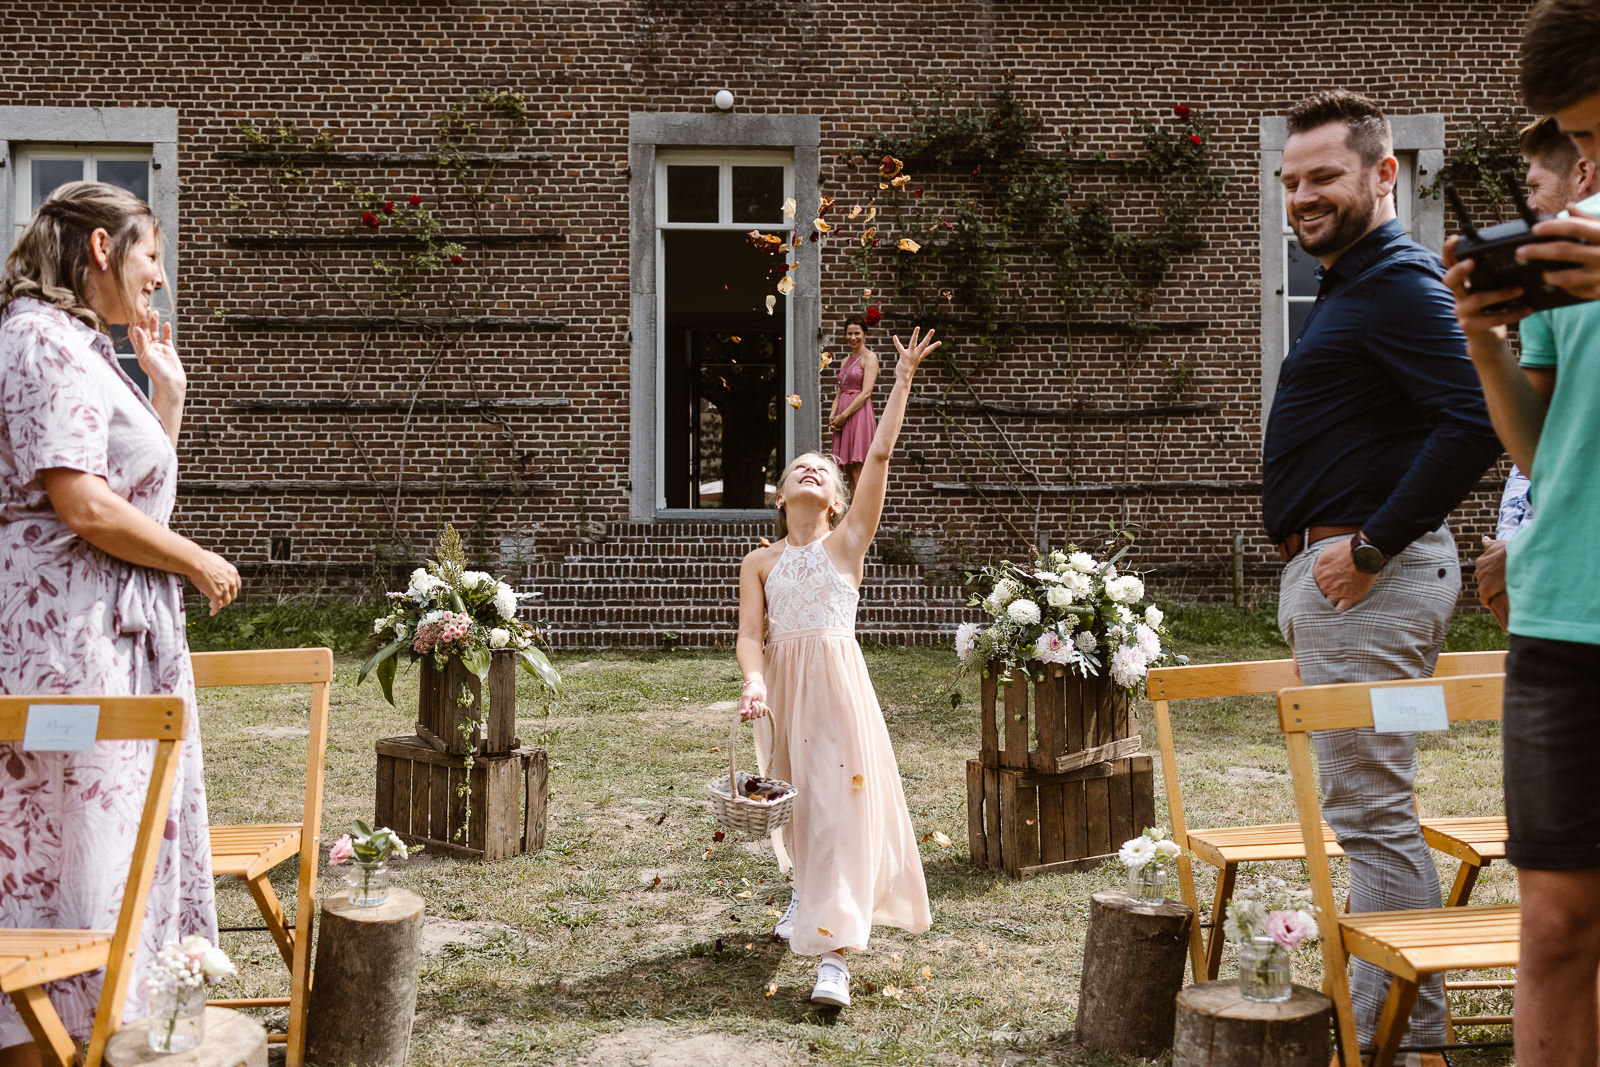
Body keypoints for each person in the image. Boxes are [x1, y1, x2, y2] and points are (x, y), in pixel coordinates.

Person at [1262, 91, 1503, 1060]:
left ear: (1382, 173)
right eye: (1289, 181)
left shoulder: (1396, 280)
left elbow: (1476, 417)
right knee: (1372, 809)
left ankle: (1399, 1042)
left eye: (1322, 176)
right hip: (1354, 588)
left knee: (1371, 816)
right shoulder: (1355, 282)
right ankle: (1393, 1031)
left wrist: (1370, 547)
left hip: (1366, 583)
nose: (1302, 196)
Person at [0, 182, 239, 1066]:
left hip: (104, 635)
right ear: (100, 248)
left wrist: (163, 400)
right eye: (152, 255)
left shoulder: (84, 347)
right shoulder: (41, 339)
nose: (162, 279)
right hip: (67, 646)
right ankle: (50, 1041)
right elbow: (84, 505)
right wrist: (194, 558)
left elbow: (124, 484)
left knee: (112, 843)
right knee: (71, 845)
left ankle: (109, 1028)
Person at [1444, 4, 1600, 1059]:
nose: (1586, 166)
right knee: (1549, 929)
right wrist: (1486, 343)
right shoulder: (1565, 247)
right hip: (1561, 614)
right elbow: (1548, 454)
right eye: (1578, 141)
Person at [735, 327, 938, 1008]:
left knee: (839, 815)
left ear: (837, 500)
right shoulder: (758, 562)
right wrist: (755, 680)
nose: (812, 468)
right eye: (800, 465)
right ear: (781, 491)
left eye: (824, 467)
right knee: (795, 808)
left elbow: (877, 453)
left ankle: (834, 960)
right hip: (784, 693)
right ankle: (803, 892)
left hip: (837, 690)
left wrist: (902, 378)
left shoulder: (846, 546)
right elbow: (749, 635)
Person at [1471, 115, 1588, 628]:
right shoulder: (1546, 283)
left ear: (1582, 175)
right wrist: (1486, 342)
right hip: (1559, 600)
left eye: (1535, 186)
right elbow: (1544, 451)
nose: (1530, 204)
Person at [827, 314, 878, 495]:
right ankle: (853, 514)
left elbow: (866, 393)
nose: (853, 337)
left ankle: (862, 517)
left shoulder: (870, 357)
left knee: (858, 467)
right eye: (849, 334)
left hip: (858, 414)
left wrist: (844, 416)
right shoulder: (844, 361)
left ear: (864, 334)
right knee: (847, 468)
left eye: (857, 333)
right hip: (842, 417)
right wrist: (833, 416)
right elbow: (839, 393)